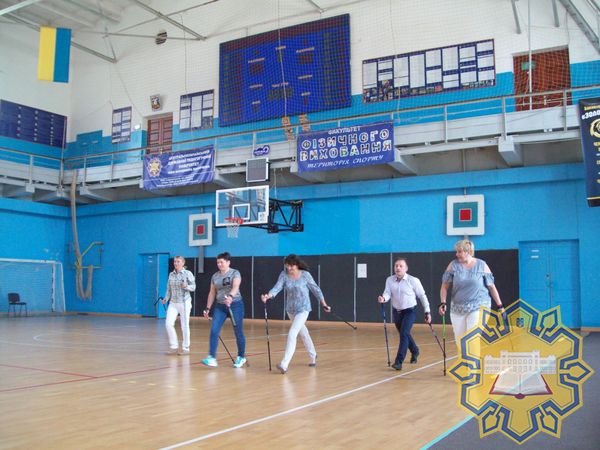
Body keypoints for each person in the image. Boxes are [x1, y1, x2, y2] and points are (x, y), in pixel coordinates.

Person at [261, 254, 331, 374]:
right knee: (303, 333)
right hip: (291, 310)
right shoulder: (284, 275)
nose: (289, 268)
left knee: (292, 333)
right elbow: (277, 287)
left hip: (303, 309)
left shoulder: (305, 275)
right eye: (287, 266)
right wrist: (268, 296)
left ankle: (284, 364)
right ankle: (313, 355)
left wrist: (324, 304)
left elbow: (316, 289)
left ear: (297, 265)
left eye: (291, 266)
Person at [439, 239, 504, 348]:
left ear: (468, 252)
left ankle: (473, 359)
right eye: (456, 251)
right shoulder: (453, 265)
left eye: (459, 252)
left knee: (472, 339)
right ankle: (465, 359)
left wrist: (500, 306)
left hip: (479, 306)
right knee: (460, 341)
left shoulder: (481, 265)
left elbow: (491, 287)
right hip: (457, 308)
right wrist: (443, 303)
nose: (456, 254)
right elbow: (444, 286)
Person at [377, 257, 431, 371]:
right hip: (397, 312)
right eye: (396, 265)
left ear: (406, 268)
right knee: (405, 334)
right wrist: (383, 298)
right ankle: (415, 351)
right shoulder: (389, 280)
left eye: (401, 266)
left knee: (404, 333)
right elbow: (387, 293)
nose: (398, 268)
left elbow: (422, 296)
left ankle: (399, 362)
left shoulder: (413, 280)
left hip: (410, 311)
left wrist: (427, 311)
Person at [201, 252, 247, 368]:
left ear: (228, 262)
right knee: (214, 330)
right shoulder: (215, 276)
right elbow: (212, 292)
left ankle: (241, 356)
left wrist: (230, 297)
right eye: (218, 262)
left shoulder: (235, 273)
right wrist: (207, 308)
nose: (219, 264)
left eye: (221, 262)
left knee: (238, 331)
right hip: (220, 306)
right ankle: (212, 357)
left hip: (235, 305)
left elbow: (236, 286)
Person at [162, 256, 196, 355]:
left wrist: (186, 286)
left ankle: (186, 348)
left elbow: (193, 287)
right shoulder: (171, 274)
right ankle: (173, 346)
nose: (176, 263)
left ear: (183, 263)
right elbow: (169, 289)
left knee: (184, 325)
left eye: (178, 261)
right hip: (173, 302)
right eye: (175, 261)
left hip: (184, 302)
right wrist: (166, 298)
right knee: (168, 324)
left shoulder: (187, 273)